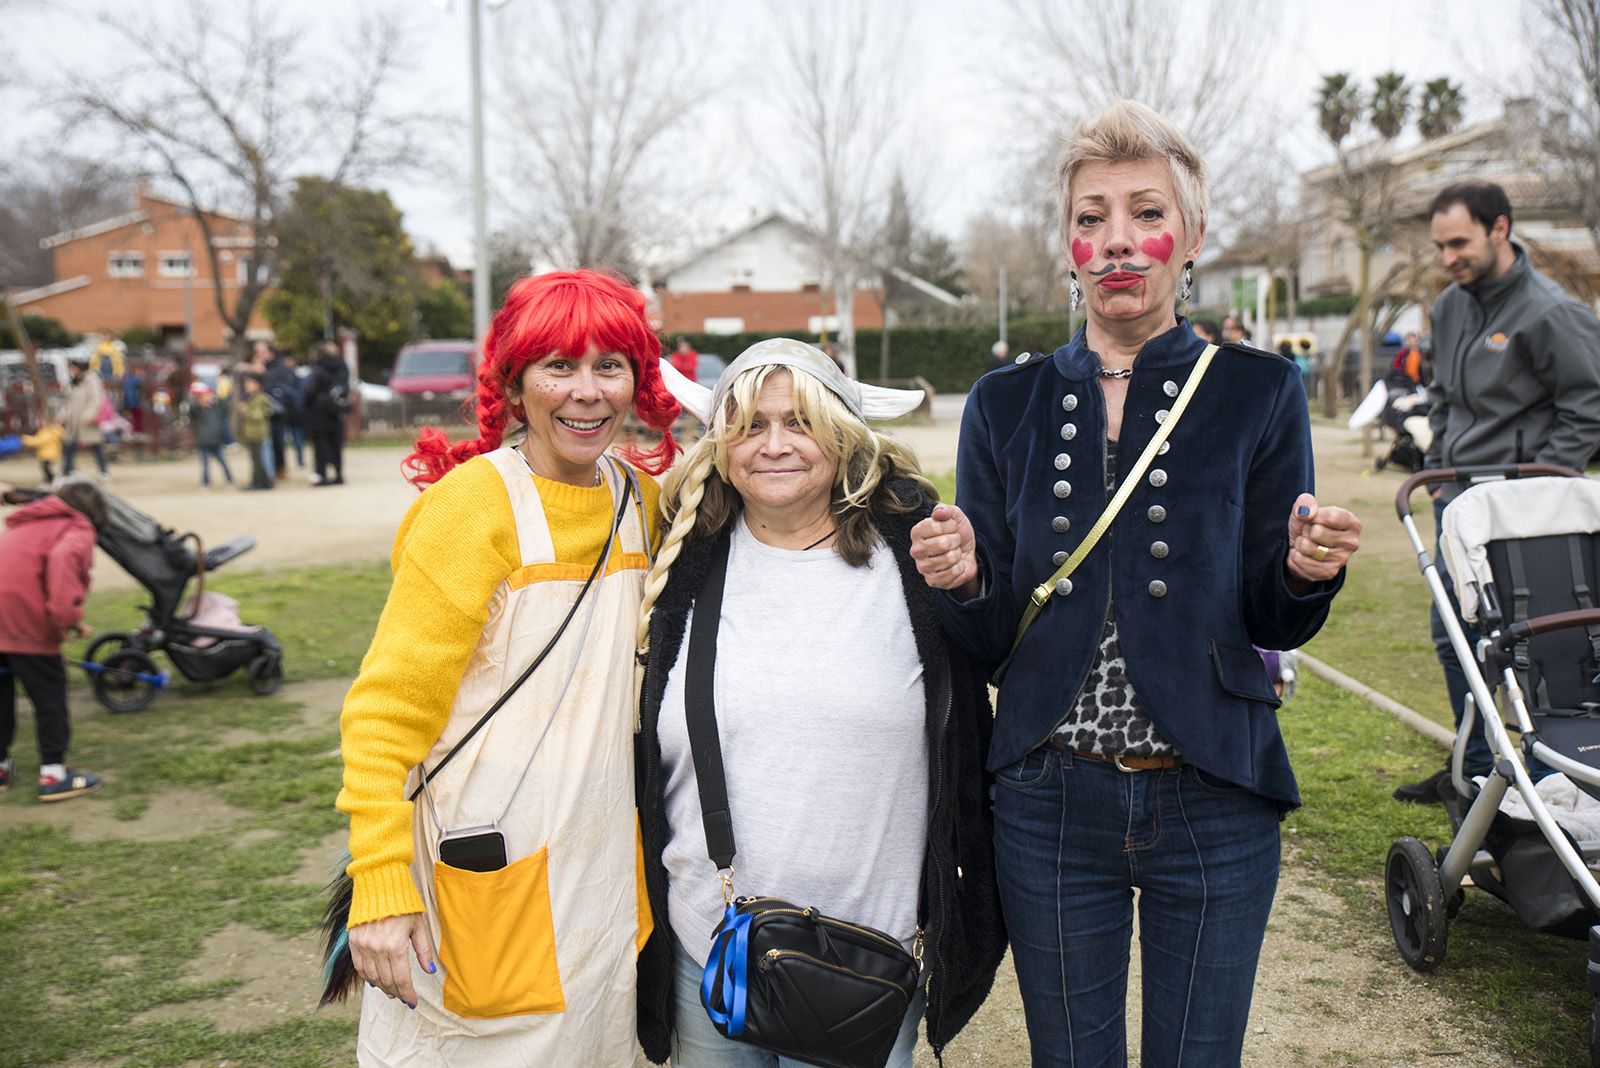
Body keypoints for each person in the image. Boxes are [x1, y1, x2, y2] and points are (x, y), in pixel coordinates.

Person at [909, 100, 1362, 1066]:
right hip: (1047, 799)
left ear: (1190, 238)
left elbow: (1273, 618)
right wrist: (964, 578)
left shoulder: (1259, 389)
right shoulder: (1003, 402)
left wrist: (1302, 569)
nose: (1117, 239)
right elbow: (988, 641)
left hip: (1216, 791)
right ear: (1069, 245)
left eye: (1146, 213)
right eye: (1092, 217)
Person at [334, 269, 680, 1066]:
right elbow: (384, 715)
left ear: (636, 381)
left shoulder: (644, 503)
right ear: (515, 383)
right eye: (559, 366)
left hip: (602, 869)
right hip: (481, 864)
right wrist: (380, 884)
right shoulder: (472, 508)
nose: (587, 392)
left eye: (609, 366)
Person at [634, 338, 1007, 1066]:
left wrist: (971, 583)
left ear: (841, 437)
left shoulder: (912, 554)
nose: (774, 445)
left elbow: (993, 663)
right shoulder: (682, 559)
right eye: (750, 426)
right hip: (707, 947)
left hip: (866, 961)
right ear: (721, 444)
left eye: (799, 423)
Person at [1393, 180, 1600, 803]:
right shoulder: (1449, 306)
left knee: (1525, 647)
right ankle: (1478, 766)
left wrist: (1539, 491)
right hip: (1457, 503)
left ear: (1500, 229)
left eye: (1459, 243)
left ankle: (1543, 773)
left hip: (1523, 514)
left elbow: (1588, 408)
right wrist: (1438, 467)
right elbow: (1444, 399)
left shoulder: (1552, 312)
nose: (1448, 257)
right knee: (1452, 636)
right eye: (1440, 246)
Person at [0, 479, 108, 802]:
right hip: (25, 622)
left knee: (1, 694)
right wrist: (69, 621)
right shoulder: (77, 529)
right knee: (49, 697)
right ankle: (54, 774)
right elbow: (61, 573)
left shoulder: (25, 523)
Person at [305, 343, 351, 486]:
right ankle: (338, 474)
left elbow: (310, 391)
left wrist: (307, 404)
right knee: (336, 444)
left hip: (319, 412)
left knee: (320, 446)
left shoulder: (318, 369)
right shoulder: (341, 367)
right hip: (335, 411)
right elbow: (345, 387)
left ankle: (322, 474)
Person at [62, 357, 109, 479]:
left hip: (87, 419)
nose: (69, 370)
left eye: (71, 367)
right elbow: (68, 402)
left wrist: (88, 415)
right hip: (73, 420)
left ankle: (103, 471)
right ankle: (67, 472)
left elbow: (95, 399)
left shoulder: (91, 380)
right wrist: (62, 416)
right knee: (69, 445)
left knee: (96, 445)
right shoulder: (72, 382)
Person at [264, 349, 304, 480]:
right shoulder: (269, 369)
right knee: (276, 442)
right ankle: (274, 469)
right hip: (280, 411)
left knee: (280, 441)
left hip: (281, 413)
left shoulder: (279, 371)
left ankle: (281, 468)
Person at [186, 383, 233, 488]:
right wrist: (195, 397)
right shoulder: (197, 410)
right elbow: (191, 409)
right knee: (205, 464)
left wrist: (215, 395)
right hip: (203, 441)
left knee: (223, 462)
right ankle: (206, 482)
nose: (206, 399)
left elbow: (225, 405)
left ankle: (229, 479)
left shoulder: (216, 408)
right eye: (203, 397)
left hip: (216, 440)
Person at [237, 373, 274, 491]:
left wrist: (245, 409)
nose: (246, 385)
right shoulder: (251, 397)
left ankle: (261, 481)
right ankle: (258, 481)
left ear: (258, 384)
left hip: (259, 433)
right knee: (255, 459)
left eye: (250, 382)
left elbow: (258, 416)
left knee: (259, 460)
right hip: (251, 433)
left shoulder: (260, 398)